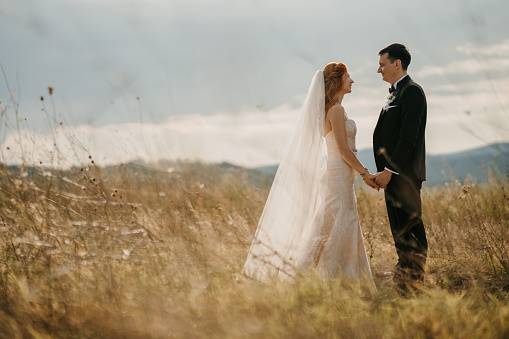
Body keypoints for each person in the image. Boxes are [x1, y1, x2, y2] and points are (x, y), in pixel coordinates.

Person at [242, 62, 377, 287]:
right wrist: (365, 174)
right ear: (337, 81)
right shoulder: (336, 110)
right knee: (340, 221)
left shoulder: (331, 110)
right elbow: (343, 150)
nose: (352, 81)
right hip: (338, 175)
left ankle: (328, 276)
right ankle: (333, 280)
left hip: (339, 174)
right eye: (348, 77)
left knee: (333, 223)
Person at [373, 43, 428, 293]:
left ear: (397, 64)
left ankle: (414, 288)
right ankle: (404, 286)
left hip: (403, 176)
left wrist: (390, 170)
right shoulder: (396, 92)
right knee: (400, 235)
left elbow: (409, 137)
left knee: (412, 234)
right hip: (393, 177)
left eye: (382, 64)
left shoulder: (412, 92)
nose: (379, 70)